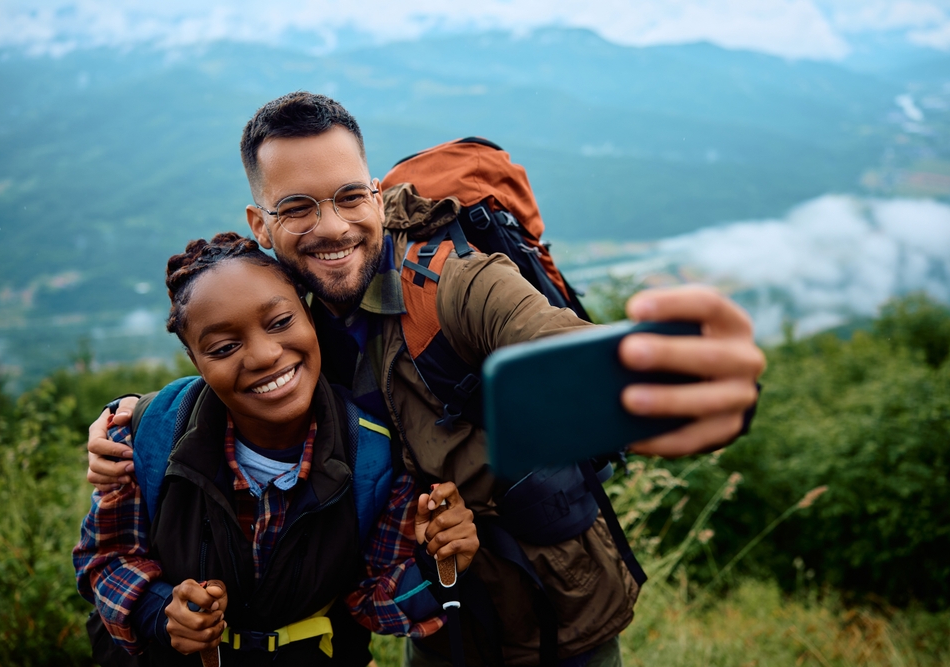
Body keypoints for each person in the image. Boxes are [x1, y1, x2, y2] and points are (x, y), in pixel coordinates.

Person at [87, 93, 766, 666]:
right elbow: (234, 360)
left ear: (375, 196)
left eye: (351, 197)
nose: (332, 228)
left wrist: (681, 379)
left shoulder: (452, 285)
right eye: (298, 208)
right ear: (261, 224)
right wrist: (132, 418)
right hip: (430, 604)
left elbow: (556, 342)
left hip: (553, 597)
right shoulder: (291, 306)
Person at [74, 232, 479, 665]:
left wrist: (438, 562)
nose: (265, 355)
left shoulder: (373, 454)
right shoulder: (144, 437)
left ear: (308, 315)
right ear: (195, 361)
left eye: (281, 322)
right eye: (225, 348)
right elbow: (107, 559)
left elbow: (372, 599)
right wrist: (162, 613)